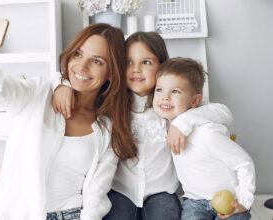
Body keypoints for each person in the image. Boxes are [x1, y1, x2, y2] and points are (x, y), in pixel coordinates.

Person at [0, 14, 136, 220]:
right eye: (78, 54)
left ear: (112, 73)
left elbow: (96, 196)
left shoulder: (107, 129)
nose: (82, 67)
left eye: (97, 61)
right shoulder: (38, 95)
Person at [53, 32, 233, 219]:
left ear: (162, 67)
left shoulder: (172, 103)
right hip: (121, 191)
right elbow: (77, 79)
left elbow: (223, 113)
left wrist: (183, 122)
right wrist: (63, 84)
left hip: (161, 192)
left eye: (146, 62)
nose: (136, 69)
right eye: (128, 62)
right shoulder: (112, 102)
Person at [152, 57, 256, 220]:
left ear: (195, 101)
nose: (165, 97)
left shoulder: (207, 134)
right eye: (159, 89)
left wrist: (244, 201)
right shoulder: (163, 124)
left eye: (175, 91)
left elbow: (244, 163)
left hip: (231, 200)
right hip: (194, 201)